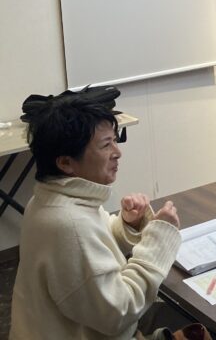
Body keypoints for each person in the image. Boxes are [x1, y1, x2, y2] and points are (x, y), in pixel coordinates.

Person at [11, 93, 185, 340]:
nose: (118, 152)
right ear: (66, 162)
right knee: (195, 316)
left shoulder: (53, 199)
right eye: (106, 145)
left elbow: (97, 241)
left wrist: (128, 224)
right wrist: (160, 240)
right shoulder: (68, 223)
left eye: (115, 141)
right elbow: (119, 312)